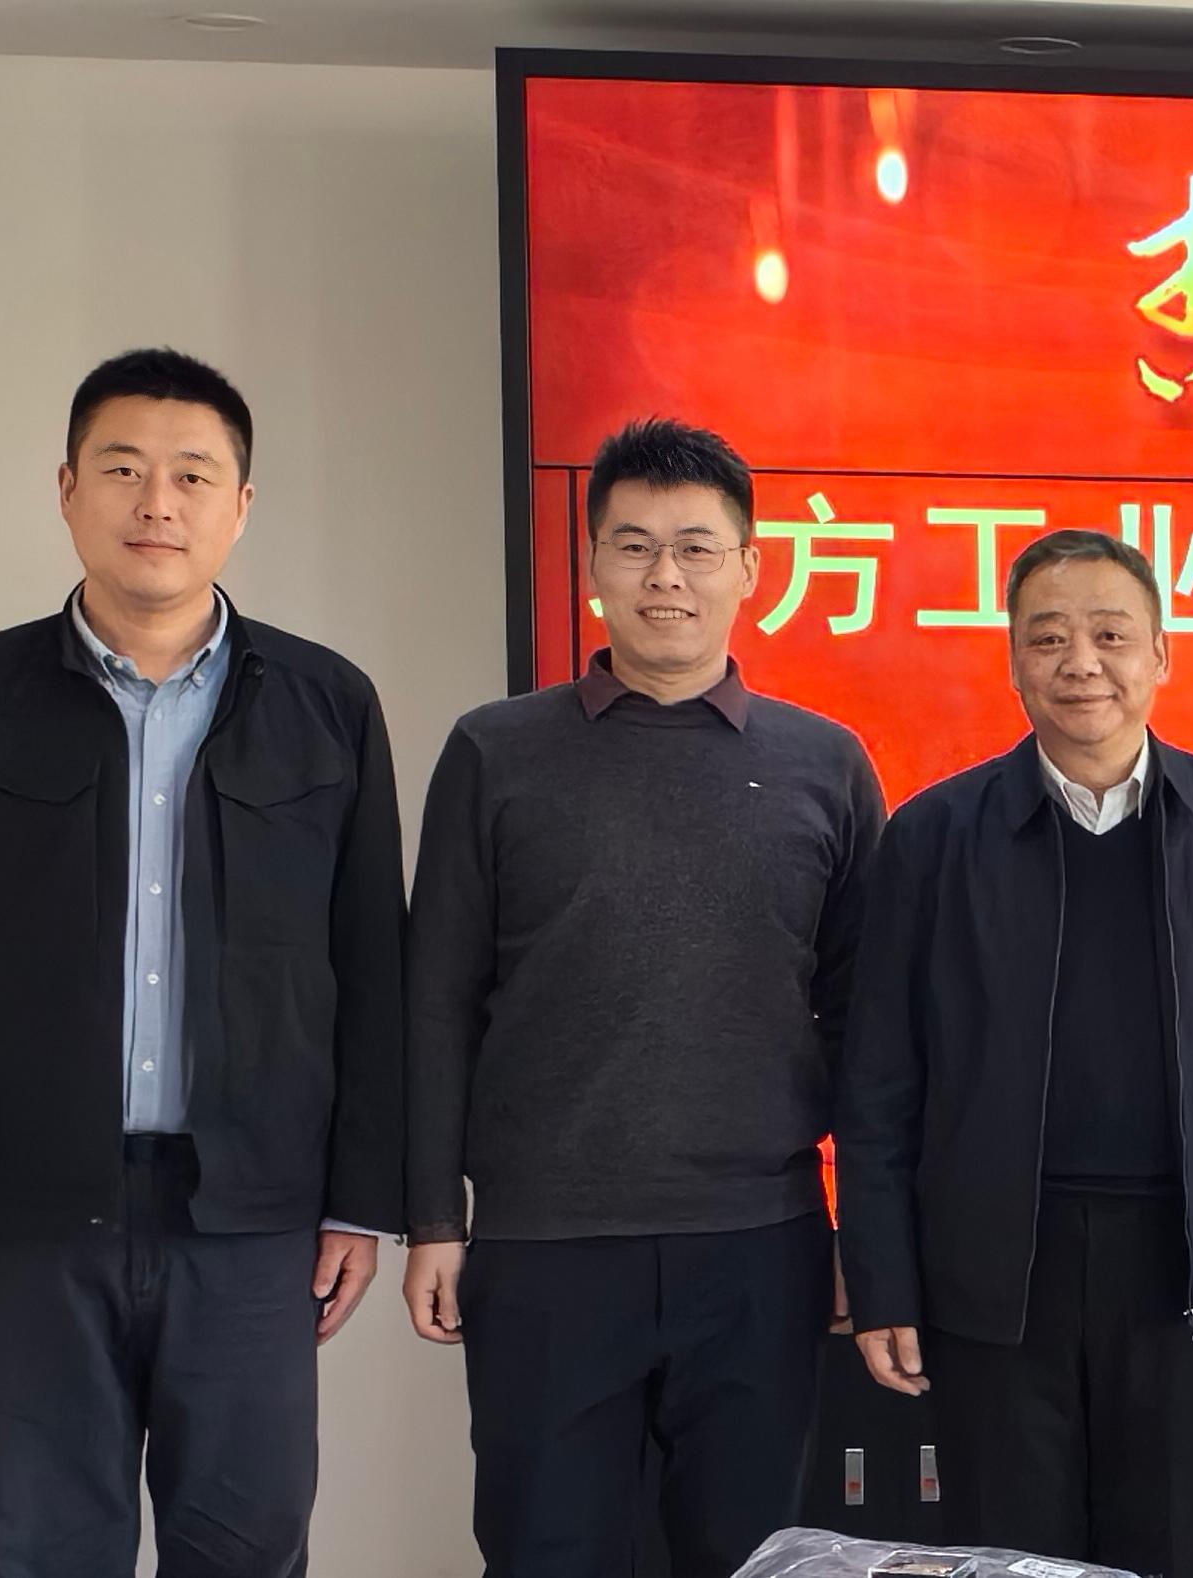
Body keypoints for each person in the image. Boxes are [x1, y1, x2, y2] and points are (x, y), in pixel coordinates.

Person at [0, 347, 405, 1577]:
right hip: (30, 1215)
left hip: (252, 1218)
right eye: (122, 469)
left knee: (246, 1550)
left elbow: (372, 966)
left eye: (193, 475)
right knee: (47, 1550)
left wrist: (361, 1199)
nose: (158, 502)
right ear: (67, 490)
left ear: (239, 506)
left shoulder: (328, 705)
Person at [396, 418, 885, 1577]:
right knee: (545, 1550)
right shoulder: (495, 752)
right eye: (635, 546)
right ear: (593, 565)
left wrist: (865, 1236)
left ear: (751, 567)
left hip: (760, 1246)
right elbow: (436, 998)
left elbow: (867, 1026)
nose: (666, 576)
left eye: (697, 548)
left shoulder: (827, 763)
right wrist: (432, 1220)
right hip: (545, 1246)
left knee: (748, 1555)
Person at [835, 528, 1193, 1576]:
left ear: (1161, 655)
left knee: (1174, 1549)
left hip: (1187, 1266)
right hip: (993, 1269)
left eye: (1111, 635)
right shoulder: (933, 836)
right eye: (1048, 638)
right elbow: (878, 1085)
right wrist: (881, 1280)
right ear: (1013, 661)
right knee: (1009, 1558)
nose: (1081, 663)